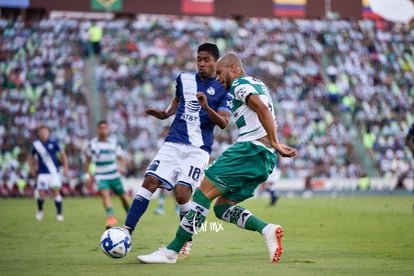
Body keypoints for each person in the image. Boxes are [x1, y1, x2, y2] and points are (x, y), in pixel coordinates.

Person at [137, 52, 297, 264]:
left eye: (220, 72)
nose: (218, 78)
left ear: (233, 68)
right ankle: (266, 229)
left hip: (251, 150)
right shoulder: (257, 83)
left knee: (202, 194)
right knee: (222, 208)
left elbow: (261, 108)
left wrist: (275, 141)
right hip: (263, 159)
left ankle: (171, 251)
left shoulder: (240, 83)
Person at [123, 43, 232, 259]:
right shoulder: (184, 79)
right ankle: (127, 230)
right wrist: (165, 114)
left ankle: (186, 239)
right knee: (149, 181)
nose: (201, 63)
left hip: (198, 149)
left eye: (206, 60)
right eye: (199, 59)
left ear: (215, 62)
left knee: (182, 193)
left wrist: (207, 107)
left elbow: (224, 123)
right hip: (173, 143)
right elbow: (178, 100)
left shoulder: (223, 88)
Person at [84, 120, 130, 227]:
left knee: (123, 197)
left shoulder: (114, 143)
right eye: (101, 128)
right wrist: (87, 175)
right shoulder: (92, 144)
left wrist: (122, 168)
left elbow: (121, 158)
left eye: (105, 128)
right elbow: (87, 161)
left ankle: (130, 215)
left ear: (108, 130)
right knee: (105, 195)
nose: (103, 130)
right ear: (98, 130)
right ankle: (111, 217)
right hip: (100, 174)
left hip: (114, 174)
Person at [28, 125, 69, 221]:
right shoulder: (36, 144)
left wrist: (66, 167)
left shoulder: (54, 143)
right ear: (39, 133)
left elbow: (63, 154)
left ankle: (59, 214)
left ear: (48, 133)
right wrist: (31, 168)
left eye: (45, 132)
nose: (44, 133)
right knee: (41, 193)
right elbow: (30, 157)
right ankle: (40, 210)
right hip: (42, 173)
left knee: (56, 191)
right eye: (42, 132)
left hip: (54, 172)